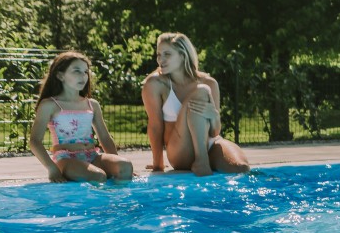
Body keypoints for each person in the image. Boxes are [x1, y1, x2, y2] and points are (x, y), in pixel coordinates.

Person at [142, 32, 250, 176]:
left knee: (240, 168)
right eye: (159, 55)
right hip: (180, 151)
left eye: (167, 54)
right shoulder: (156, 84)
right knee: (202, 91)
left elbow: (214, 132)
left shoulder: (210, 83)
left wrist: (214, 116)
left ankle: (203, 159)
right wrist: (158, 164)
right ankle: (202, 161)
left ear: (183, 55)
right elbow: (155, 126)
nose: (161, 60)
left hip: (210, 144)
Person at [28, 51, 134, 183]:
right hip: (66, 160)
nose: (83, 76)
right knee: (98, 176)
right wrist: (52, 168)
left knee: (125, 167)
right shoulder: (50, 105)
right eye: (76, 71)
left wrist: (115, 165)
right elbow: (35, 141)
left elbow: (105, 138)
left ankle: (116, 203)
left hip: (93, 156)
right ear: (60, 75)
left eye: (85, 72)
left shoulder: (92, 104)